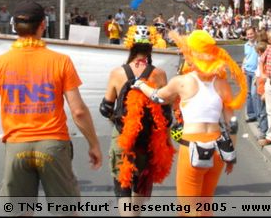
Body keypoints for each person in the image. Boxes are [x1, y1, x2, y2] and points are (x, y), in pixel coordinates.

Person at [0, 1, 102, 200]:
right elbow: (78, 111)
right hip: (53, 145)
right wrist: (94, 144)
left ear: (14, 26)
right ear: (43, 25)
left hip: (16, 146)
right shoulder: (60, 61)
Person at [133, 30, 247, 215]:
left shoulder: (182, 82)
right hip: (219, 148)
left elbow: (157, 97)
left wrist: (140, 85)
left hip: (193, 147)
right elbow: (232, 122)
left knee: (188, 208)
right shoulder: (222, 84)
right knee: (206, 203)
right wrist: (231, 155)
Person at [101, 26, 174, 215]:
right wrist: (167, 141)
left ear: (130, 46)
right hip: (147, 140)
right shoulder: (159, 74)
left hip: (122, 137)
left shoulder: (118, 73)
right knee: (140, 184)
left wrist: (117, 121)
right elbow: (166, 115)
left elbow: (105, 108)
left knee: (123, 186)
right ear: (151, 47)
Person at [242, 27, 259, 123]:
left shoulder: (259, 44)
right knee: (248, 94)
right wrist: (243, 66)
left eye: (251, 34)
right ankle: (251, 114)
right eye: (248, 34)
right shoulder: (246, 45)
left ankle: (258, 115)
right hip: (247, 71)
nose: (249, 36)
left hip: (255, 72)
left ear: (255, 33)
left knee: (254, 94)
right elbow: (246, 57)